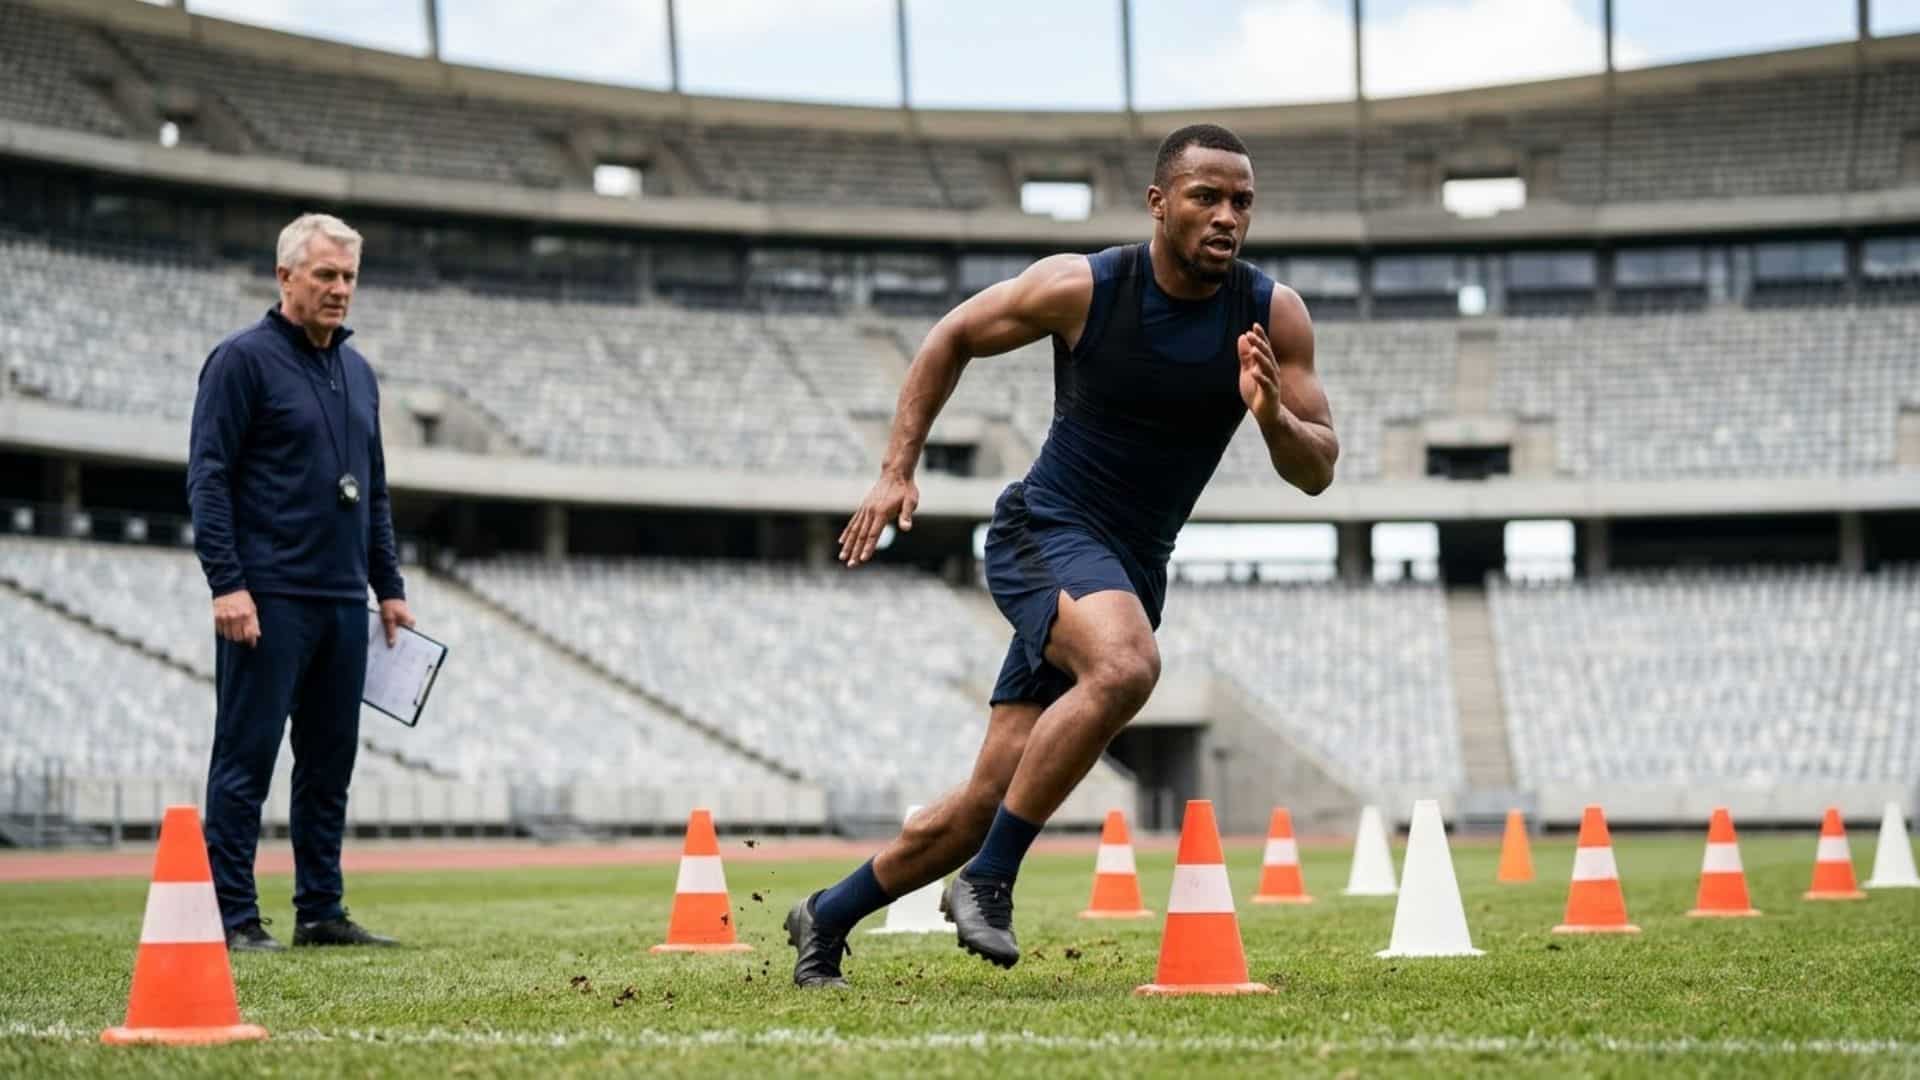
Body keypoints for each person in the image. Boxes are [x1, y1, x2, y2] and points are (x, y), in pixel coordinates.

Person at [785, 124, 1338, 988]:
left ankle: (826, 915)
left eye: (1242, 202)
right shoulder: (1085, 286)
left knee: (982, 802)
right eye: (1207, 197)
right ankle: (991, 885)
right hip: (1043, 532)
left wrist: (1270, 418)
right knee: (1125, 667)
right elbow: (951, 336)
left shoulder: (1273, 315)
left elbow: (1319, 471)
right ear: (1159, 203)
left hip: (1127, 570)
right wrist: (896, 470)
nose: (1227, 216)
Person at [186, 212, 412, 951]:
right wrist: (227, 581)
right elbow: (209, 479)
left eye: (349, 276)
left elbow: (372, 489)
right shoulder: (240, 361)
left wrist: (390, 586)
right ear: (286, 276)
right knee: (245, 758)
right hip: (268, 596)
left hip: (343, 601)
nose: (340, 289)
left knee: (328, 765)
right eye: (325, 275)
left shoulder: (358, 372)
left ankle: (320, 909)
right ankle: (233, 916)